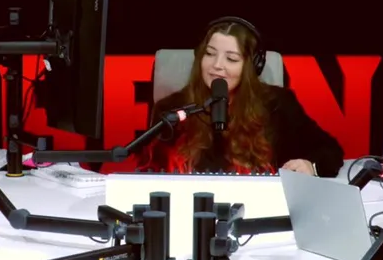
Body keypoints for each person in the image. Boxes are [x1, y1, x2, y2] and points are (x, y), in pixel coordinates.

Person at [142, 16, 344, 176]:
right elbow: (148, 172)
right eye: (210, 54)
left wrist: (310, 166)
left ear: (250, 67)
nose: (217, 65)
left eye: (231, 59)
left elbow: (329, 151)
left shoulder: (277, 105)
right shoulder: (172, 110)